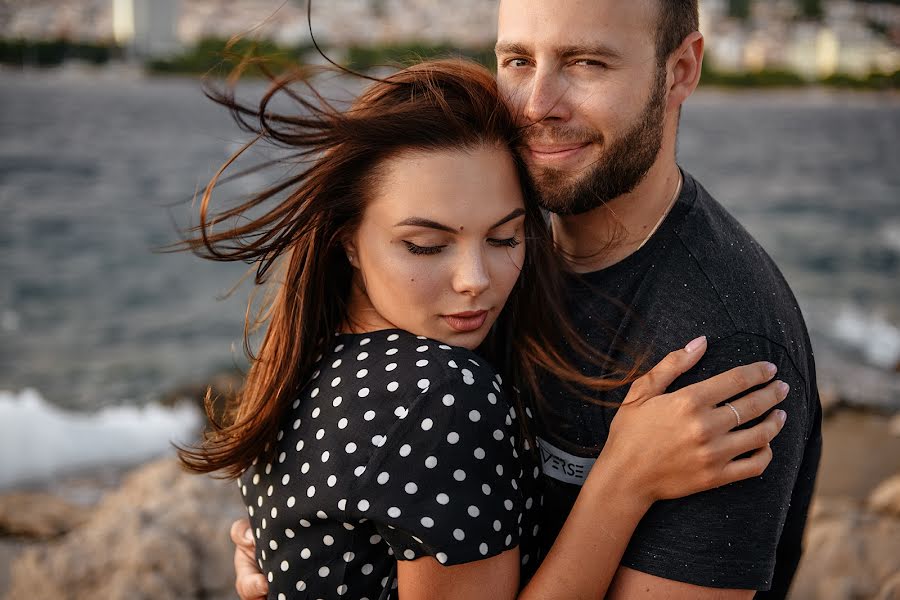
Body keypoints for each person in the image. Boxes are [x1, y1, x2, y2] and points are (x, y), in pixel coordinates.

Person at [233, 0, 822, 598]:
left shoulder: (720, 344)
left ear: (681, 69)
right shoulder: (496, 253)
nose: (538, 104)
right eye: (517, 60)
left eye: (587, 62)